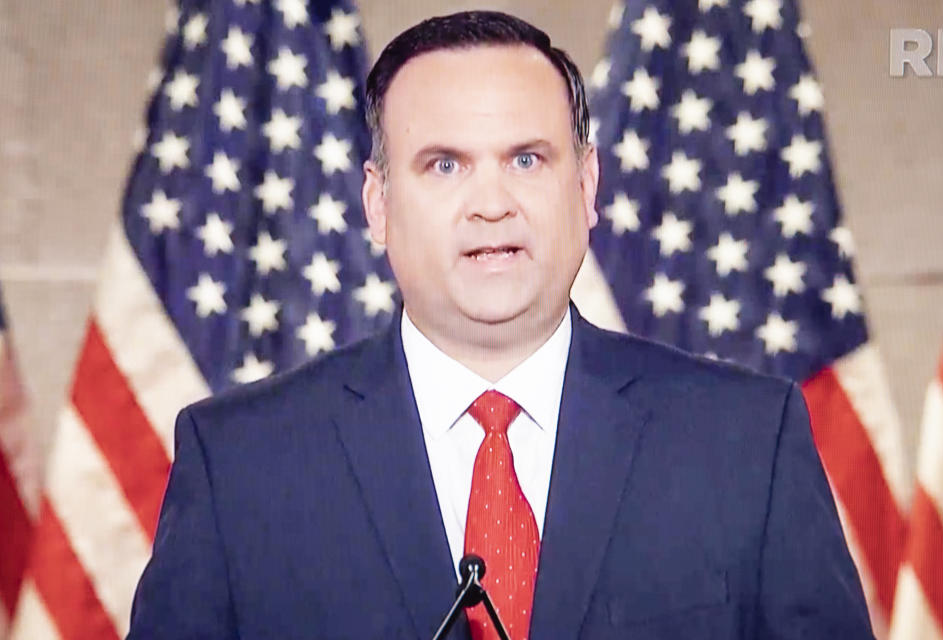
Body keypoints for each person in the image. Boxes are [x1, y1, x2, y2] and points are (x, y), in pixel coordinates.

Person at [127, 10, 874, 640]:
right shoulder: (240, 464)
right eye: (444, 165)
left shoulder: (746, 440)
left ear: (586, 187)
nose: (491, 203)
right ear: (377, 205)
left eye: (526, 158)